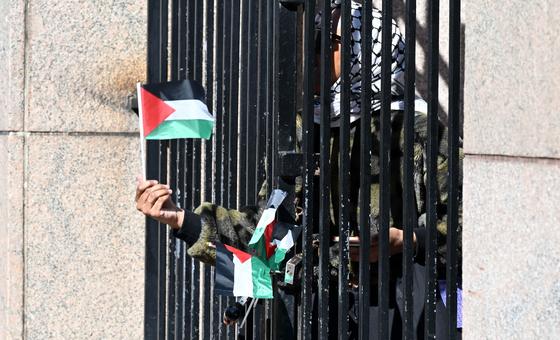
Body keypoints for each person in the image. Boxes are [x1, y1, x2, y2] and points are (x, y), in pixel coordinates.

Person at [136, 1, 462, 338]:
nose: (312, 55)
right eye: (310, 41)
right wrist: (181, 220)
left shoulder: (417, 132)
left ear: (365, 50)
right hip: (312, 314)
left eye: (325, 43)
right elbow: (265, 233)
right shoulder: (306, 129)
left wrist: (408, 240)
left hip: (393, 315)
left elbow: (472, 227)